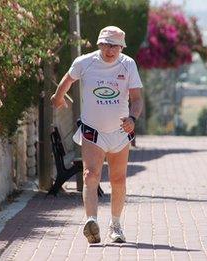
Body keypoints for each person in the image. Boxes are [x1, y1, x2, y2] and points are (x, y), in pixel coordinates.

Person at [50, 26, 143, 244]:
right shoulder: (85, 62)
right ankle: (91, 222)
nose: (110, 50)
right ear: (99, 44)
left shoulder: (128, 65)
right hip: (93, 130)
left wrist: (133, 119)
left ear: (121, 47)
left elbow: (137, 99)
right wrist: (58, 97)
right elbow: (67, 78)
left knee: (118, 180)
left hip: (120, 132)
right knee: (90, 175)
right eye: (106, 44)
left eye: (115, 46)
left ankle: (116, 225)